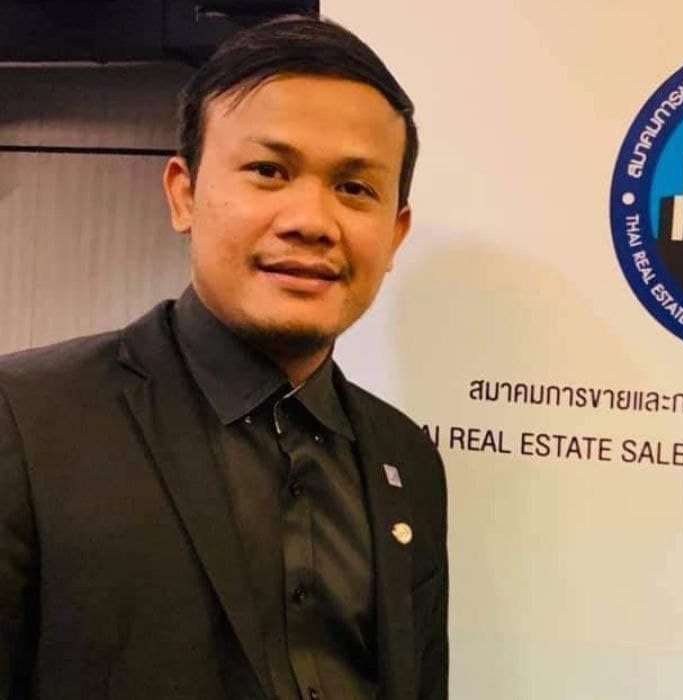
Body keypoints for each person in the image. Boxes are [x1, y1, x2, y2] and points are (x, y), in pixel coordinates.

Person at [0, 15, 447, 700]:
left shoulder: (406, 458)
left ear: (395, 233)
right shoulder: (28, 422)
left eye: (355, 188)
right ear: (183, 194)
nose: (311, 221)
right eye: (269, 171)